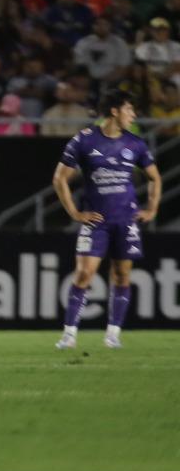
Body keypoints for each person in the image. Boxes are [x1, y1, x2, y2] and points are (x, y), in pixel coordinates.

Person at [52, 90, 160, 351]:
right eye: (129, 109)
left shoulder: (135, 144)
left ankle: (113, 334)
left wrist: (152, 209)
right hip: (96, 220)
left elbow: (155, 178)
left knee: (122, 276)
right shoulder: (85, 140)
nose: (132, 115)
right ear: (114, 111)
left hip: (126, 220)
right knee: (83, 274)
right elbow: (59, 179)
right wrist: (74, 213)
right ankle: (69, 334)